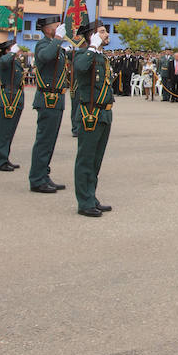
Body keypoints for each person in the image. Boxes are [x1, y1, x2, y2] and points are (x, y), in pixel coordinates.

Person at [70, 19, 114, 218]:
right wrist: (92, 47)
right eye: (102, 31)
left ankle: (91, 196)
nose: (106, 35)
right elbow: (79, 68)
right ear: (92, 36)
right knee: (86, 159)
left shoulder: (101, 57)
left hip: (104, 112)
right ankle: (84, 201)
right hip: (91, 113)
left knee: (96, 160)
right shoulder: (84, 54)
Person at [25, 16, 69, 195]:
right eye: (56, 26)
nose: (59, 28)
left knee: (50, 142)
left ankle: (44, 175)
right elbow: (46, 56)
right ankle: (36, 179)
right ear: (47, 29)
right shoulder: (43, 44)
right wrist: (58, 39)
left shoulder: (55, 45)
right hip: (47, 99)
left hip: (57, 99)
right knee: (44, 141)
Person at [0, 37, 26, 172]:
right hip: (7, 98)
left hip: (15, 97)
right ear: (7, 50)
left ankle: (5, 158)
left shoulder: (14, 61)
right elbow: (4, 61)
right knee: (2, 132)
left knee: (9, 131)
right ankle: (0, 161)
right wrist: (11, 53)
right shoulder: (5, 59)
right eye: (13, 48)